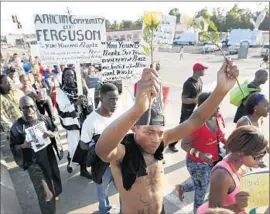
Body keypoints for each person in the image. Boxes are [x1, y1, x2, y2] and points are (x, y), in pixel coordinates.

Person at [95, 60, 240, 214]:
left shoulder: (162, 141)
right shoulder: (123, 151)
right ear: (134, 128)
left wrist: (221, 90)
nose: (155, 139)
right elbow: (102, 150)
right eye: (149, 132)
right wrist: (137, 110)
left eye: (159, 132)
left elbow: (196, 119)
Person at [9, 96, 62, 214]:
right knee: (44, 192)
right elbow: (13, 147)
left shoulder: (44, 119)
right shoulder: (16, 127)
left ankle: (53, 197)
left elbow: (55, 130)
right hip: (34, 164)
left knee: (54, 184)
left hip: (49, 159)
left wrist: (52, 134)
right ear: (20, 108)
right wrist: (23, 146)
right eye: (25, 107)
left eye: (32, 106)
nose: (30, 109)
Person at [197, 126, 268, 214]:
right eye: (257, 156)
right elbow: (213, 211)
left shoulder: (242, 162)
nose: (260, 160)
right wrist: (238, 207)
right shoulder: (222, 175)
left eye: (263, 154)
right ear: (241, 151)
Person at [176, 92, 226, 213]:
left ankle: (182, 187)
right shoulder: (196, 124)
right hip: (197, 164)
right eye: (215, 104)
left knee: (204, 183)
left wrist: (231, 144)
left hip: (214, 160)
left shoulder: (218, 117)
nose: (219, 106)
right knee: (201, 193)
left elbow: (221, 136)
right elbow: (184, 144)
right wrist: (200, 155)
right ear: (206, 107)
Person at [80, 83, 120, 214]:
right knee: (102, 192)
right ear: (101, 99)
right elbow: (83, 145)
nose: (115, 103)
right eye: (111, 99)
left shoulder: (118, 115)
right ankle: (104, 210)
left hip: (119, 162)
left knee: (124, 190)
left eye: (116, 99)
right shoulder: (90, 121)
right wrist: (98, 146)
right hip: (102, 166)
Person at [56, 67, 93, 179]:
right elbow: (62, 110)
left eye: (71, 75)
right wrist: (76, 103)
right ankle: (72, 162)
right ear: (63, 78)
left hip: (84, 122)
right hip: (74, 125)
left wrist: (86, 103)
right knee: (75, 146)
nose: (69, 77)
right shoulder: (61, 92)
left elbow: (90, 101)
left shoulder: (81, 88)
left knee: (85, 145)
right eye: (66, 75)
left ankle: (83, 169)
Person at [169, 62, 207, 152]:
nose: (204, 71)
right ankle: (171, 143)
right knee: (182, 128)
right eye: (203, 69)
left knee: (195, 127)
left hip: (196, 108)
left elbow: (199, 94)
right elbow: (184, 99)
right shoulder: (188, 83)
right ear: (197, 70)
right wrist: (195, 100)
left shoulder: (200, 81)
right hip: (187, 110)